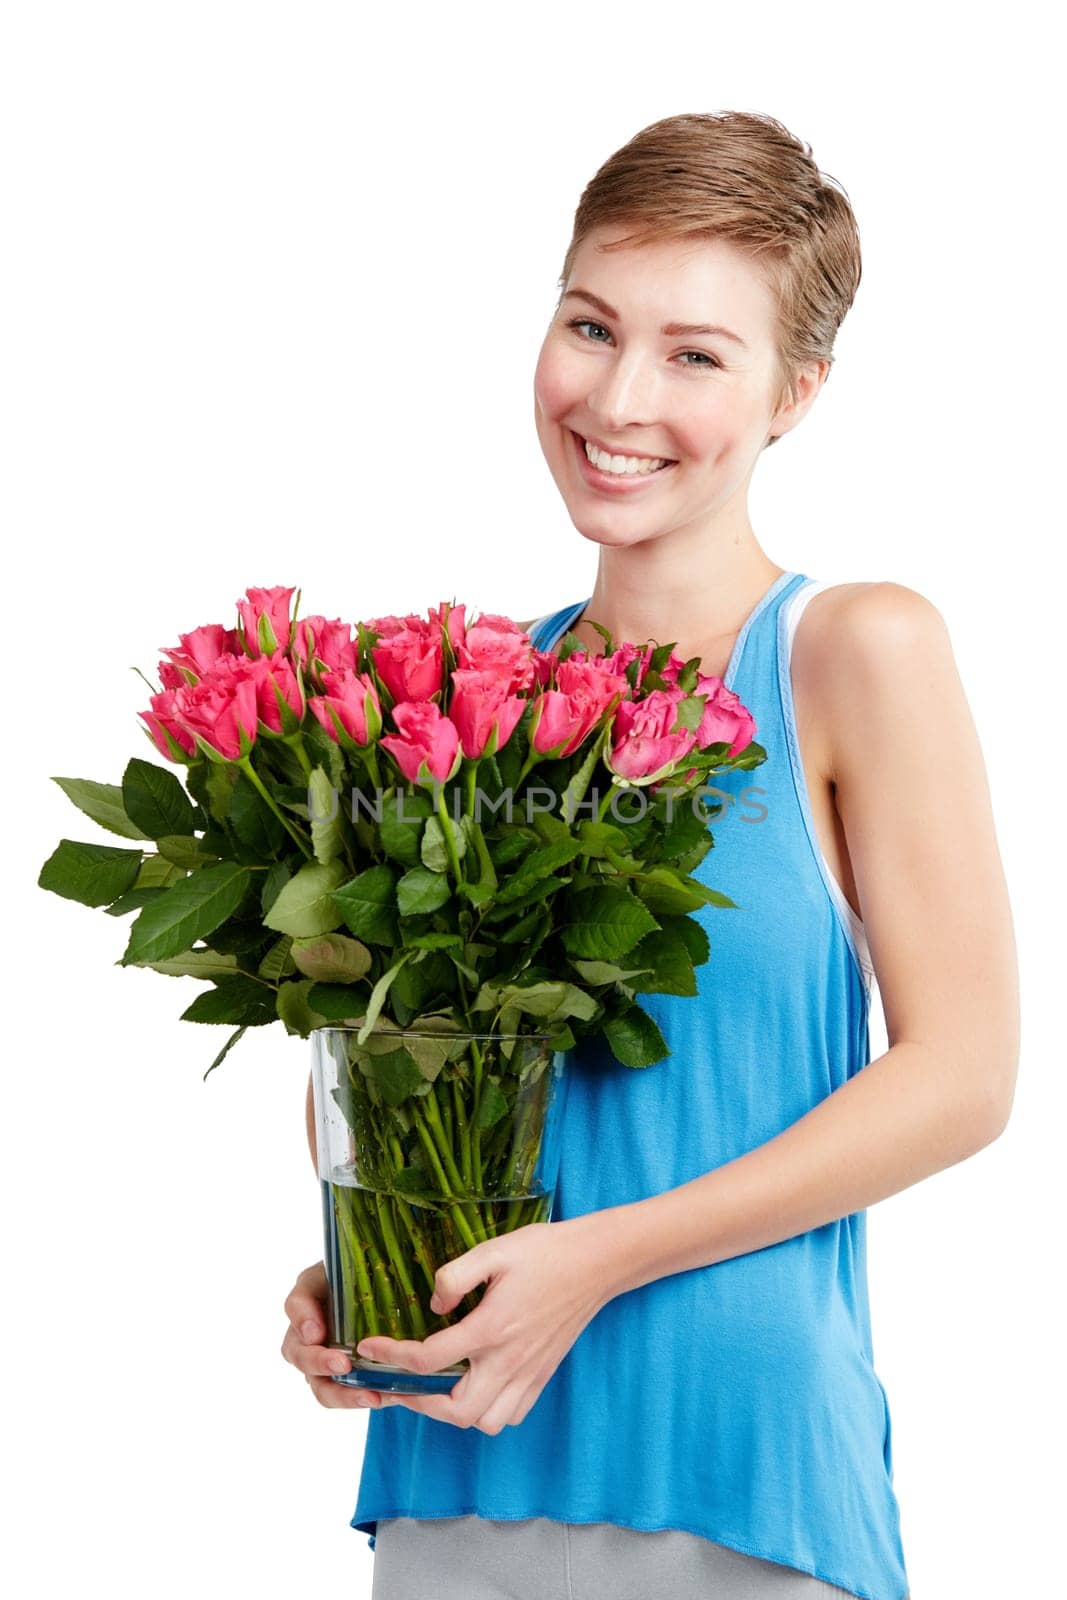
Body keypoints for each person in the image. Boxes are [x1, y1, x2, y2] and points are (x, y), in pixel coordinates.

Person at [279, 110, 1019, 1600]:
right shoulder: (465, 700)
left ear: (794, 393)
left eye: (696, 354)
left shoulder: (847, 652)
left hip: (735, 1474)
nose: (619, 396)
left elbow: (963, 1077)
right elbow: (387, 1066)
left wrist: (596, 1259)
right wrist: (363, 1256)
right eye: (590, 325)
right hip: (462, 1458)